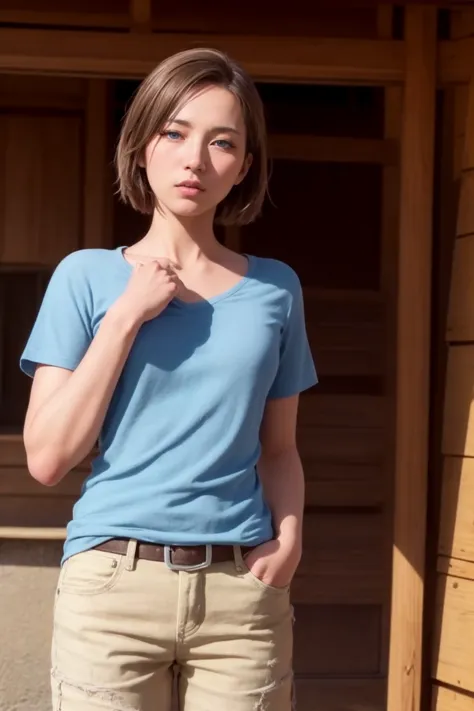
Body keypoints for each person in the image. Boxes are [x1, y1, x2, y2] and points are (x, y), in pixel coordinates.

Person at [20, 47, 317, 711]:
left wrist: (291, 535)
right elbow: (47, 456)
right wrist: (126, 316)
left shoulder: (276, 289)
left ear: (243, 165)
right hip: (111, 590)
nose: (195, 159)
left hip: (242, 594)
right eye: (175, 132)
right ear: (142, 143)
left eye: (222, 142)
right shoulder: (86, 277)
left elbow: (279, 448)